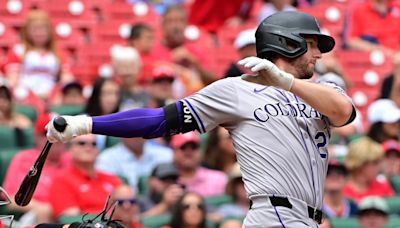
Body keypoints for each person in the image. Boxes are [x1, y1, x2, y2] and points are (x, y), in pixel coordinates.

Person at [46, 11, 355, 227]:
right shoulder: (235, 90)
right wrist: (86, 124)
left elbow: (344, 112)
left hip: (311, 218)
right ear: (288, 43)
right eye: (312, 44)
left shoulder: (322, 90)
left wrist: (285, 81)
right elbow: (159, 120)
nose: (318, 54)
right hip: (275, 215)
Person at [3, 112, 68, 224]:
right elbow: (9, 199)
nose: (55, 139)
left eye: (59, 134)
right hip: (33, 215)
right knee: (45, 211)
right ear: (36, 136)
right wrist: (40, 207)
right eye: (48, 134)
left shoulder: (72, 160)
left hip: (65, 213)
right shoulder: (24, 159)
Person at [3, 9, 73, 101]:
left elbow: (66, 78)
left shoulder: (57, 53)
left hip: (52, 98)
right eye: (35, 29)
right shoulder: (18, 50)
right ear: (27, 31)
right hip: (24, 97)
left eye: (43, 28)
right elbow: (12, 79)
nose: (39, 33)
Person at [48, 134, 122, 219]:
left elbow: (129, 207)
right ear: (69, 149)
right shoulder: (62, 180)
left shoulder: (111, 179)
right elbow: (71, 219)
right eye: (82, 143)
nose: (89, 147)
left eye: (94, 144)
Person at [95, 137, 173, 190]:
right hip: (124, 206)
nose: (136, 133)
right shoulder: (105, 158)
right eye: (131, 128)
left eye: (140, 127)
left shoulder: (167, 154)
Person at [171, 132, 228, 197]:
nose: (188, 152)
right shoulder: (166, 181)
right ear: (173, 152)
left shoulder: (219, 179)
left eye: (193, 147)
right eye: (183, 147)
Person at [343, 137, 395, 204]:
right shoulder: (341, 189)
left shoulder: (383, 186)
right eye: (375, 163)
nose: (378, 167)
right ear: (360, 164)